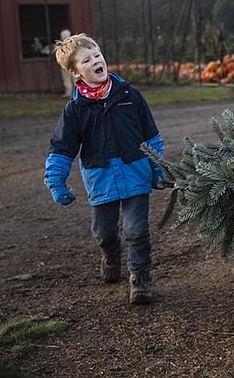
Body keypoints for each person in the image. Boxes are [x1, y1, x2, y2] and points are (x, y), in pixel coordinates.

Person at [44, 33, 164, 305]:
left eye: (97, 54)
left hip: (136, 173)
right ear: (75, 72)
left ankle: (140, 277)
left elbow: (152, 135)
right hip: (101, 179)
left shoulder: (129, 96)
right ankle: (111, 254)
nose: (96, 61)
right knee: (104, 232)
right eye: (87, 60)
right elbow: (62, 148)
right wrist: (56, 181)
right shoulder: (75, 109)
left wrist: (158, 168)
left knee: (137, 229)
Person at [58, 27, 74, 97]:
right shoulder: (74, 44)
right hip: (71, 64)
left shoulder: (62, 45)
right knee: (73, 79)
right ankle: (72, 93)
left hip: (67, 64)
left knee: (68, 79)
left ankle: (69, 93)